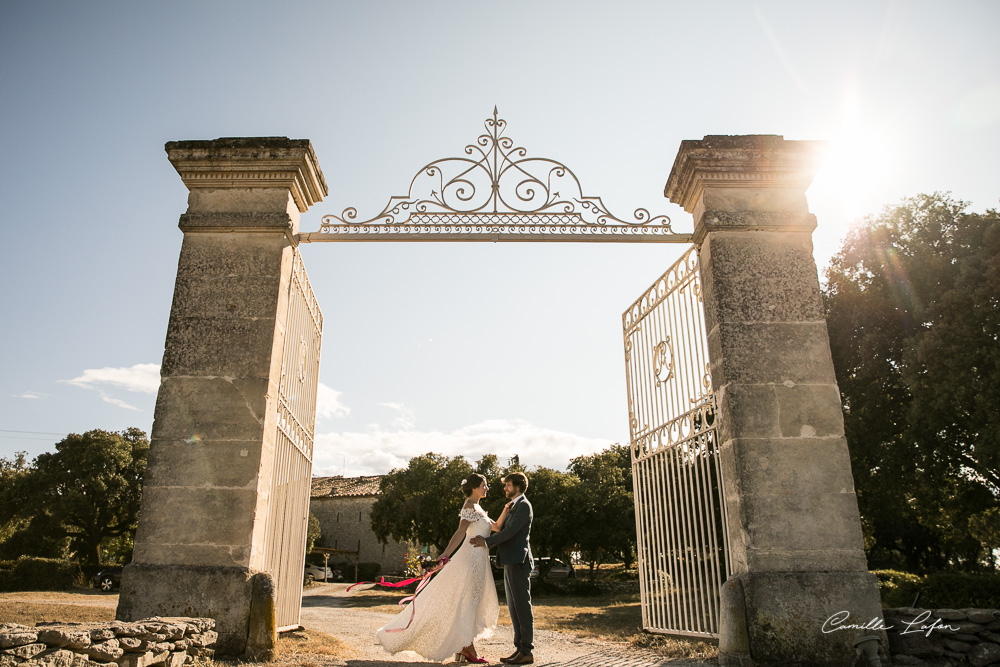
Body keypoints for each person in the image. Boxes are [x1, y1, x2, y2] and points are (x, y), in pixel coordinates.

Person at [376, 473, 510, 663]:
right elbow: (460, 533)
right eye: (484, 485)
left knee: (473, 601)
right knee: (469, 602)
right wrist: (445, 554)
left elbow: (496, 527)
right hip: (470, 559)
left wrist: (505, 509)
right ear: (474, 487)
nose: (487, 488)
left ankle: (464, 646)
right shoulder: (469, 507)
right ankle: (466, 647)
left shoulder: (479, 508)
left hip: (480, 561)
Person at [469, 472, 534, 665]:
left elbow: (509, 532)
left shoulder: (524, 506)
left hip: (518, 562)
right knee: (514, 608)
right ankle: (519, 649)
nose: (505, 488)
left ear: (518, 486)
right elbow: (501, 528)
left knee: (522, 606)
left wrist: (486, 542)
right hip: (509, 561)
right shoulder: (514, 506)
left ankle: (527, 651)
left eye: (508, 485)